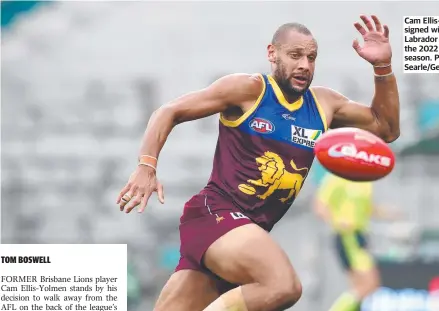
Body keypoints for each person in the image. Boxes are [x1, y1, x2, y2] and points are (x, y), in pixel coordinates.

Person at [117, 14, 400, 311]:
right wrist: (147, 166)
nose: (304, 64)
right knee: (283, 286)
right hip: (216, 215)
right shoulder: (250, 90)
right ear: (272, 54)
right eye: (295, 55)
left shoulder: (323, 105)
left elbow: (386, 128)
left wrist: (383, 67)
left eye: (311, 57)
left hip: (246, 236)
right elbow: (169, 111)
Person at [312, 173, 403, 311]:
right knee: (368, 284)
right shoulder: (336, 179)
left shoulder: (364, 181)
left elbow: (367, 208)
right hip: (347, 236)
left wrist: (389, 213)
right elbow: (320, 207)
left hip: (360, 236)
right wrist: (336, 222)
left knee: (361, 287)